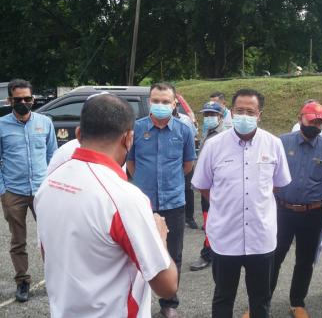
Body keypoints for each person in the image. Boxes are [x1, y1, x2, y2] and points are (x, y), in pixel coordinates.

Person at [35, 93, 178, 318]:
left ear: (79, 133)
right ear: (128, 138)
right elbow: (166, 285)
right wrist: (159, 238)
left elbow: (49, 253)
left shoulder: (50, 183)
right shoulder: (124, 198)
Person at [191, 89, 291, 318]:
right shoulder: (214, 146)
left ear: (259, 115)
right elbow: (204, 186)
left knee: (261, 299)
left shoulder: (273, 144)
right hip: (226, 237)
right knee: (223, 297)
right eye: (239, 111)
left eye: (250, 111)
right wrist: (226, 202)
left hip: (261, 238)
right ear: (231, 112)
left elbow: (276, 185)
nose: (244, 115)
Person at [127, 83, 196, 318]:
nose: (160, 105)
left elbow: (188, 165)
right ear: (149, 102)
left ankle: (169, 303)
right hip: (143, 203)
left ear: (174, 104)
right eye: (156, 100)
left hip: (173, 202)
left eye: (166, 101)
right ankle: (139, 300)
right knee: (138, 252)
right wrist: (143, 184)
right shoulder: (136, 129)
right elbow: (131, 163)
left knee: (172, 254)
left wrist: (170, 183)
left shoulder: (184, 131)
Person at [271, 101, 322, 318]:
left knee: (305, 261)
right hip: (282, 212)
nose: (316, 126)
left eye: (320, 123)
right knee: (272, 258)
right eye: (312, 121)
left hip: (313, 213)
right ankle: (259, 303)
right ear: (301, 117)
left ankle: (297, 303)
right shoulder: (281, 142)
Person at [0, 79, 57, 302]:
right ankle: (22, 281)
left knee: (51, 237)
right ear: (9, 100)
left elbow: (53, 155)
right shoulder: (1, 125)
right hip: (13, 191)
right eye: (18, 99)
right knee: (18, 240)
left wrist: (52, 184)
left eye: (27, 98)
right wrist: (3, 190)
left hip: (42, 191)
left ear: (33, 99)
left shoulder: (45, 122)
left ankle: (55, 279)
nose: (23, 102)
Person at [189, 101, 226, 272]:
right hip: (206, 187)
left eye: (212, 114)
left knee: (211, 223)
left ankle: (207, 255)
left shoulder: (223, 135)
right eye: (206, 114)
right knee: (209, 221)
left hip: (215, 188)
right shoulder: (208, 132)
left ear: (220, 116)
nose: (209, 117)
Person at [173, 97, 199, 230]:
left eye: (176, 104)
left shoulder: (185, 120)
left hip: (185, 159)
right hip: (169, 160)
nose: (174, 107)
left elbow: (194, 136)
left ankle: (189, 217)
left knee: (188, 189)